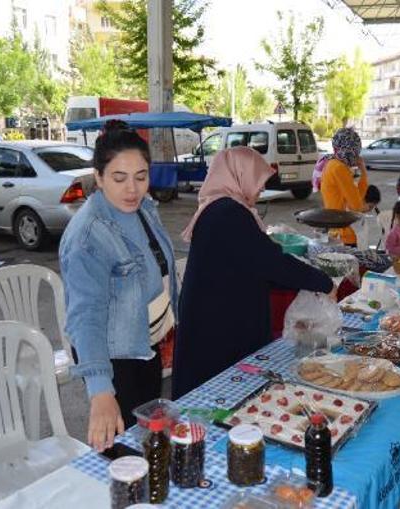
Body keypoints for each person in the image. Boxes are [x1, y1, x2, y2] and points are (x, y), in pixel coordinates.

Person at [173, 147, 334, 399]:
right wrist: (323, 281)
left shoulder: (221, 208)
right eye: (258, 181)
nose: (260, 189)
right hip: (217, 328)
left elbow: (252, 260)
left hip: (216, 318)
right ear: (239, 175)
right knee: (217, 398)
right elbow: (271, 263)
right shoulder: (229, 214)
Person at [60, 120, 178, 451]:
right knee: (125, 453)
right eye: (119, 178)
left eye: (141, 177)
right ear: (98, 177)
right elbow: (85, 316)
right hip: (114, 356)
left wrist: (168, 327)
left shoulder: (144, 209)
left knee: (149, 440)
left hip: (145, 344)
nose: (132, 189)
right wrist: (101, 390)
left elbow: (157, 271)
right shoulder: (88, 235)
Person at [320, 128, 370, 246]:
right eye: (357, 152)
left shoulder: (331, 164)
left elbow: (357, 198)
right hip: (345, 234)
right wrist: (363, 169)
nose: (358, 156)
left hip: (336, 230)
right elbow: (356, 205)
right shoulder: (340, 168)